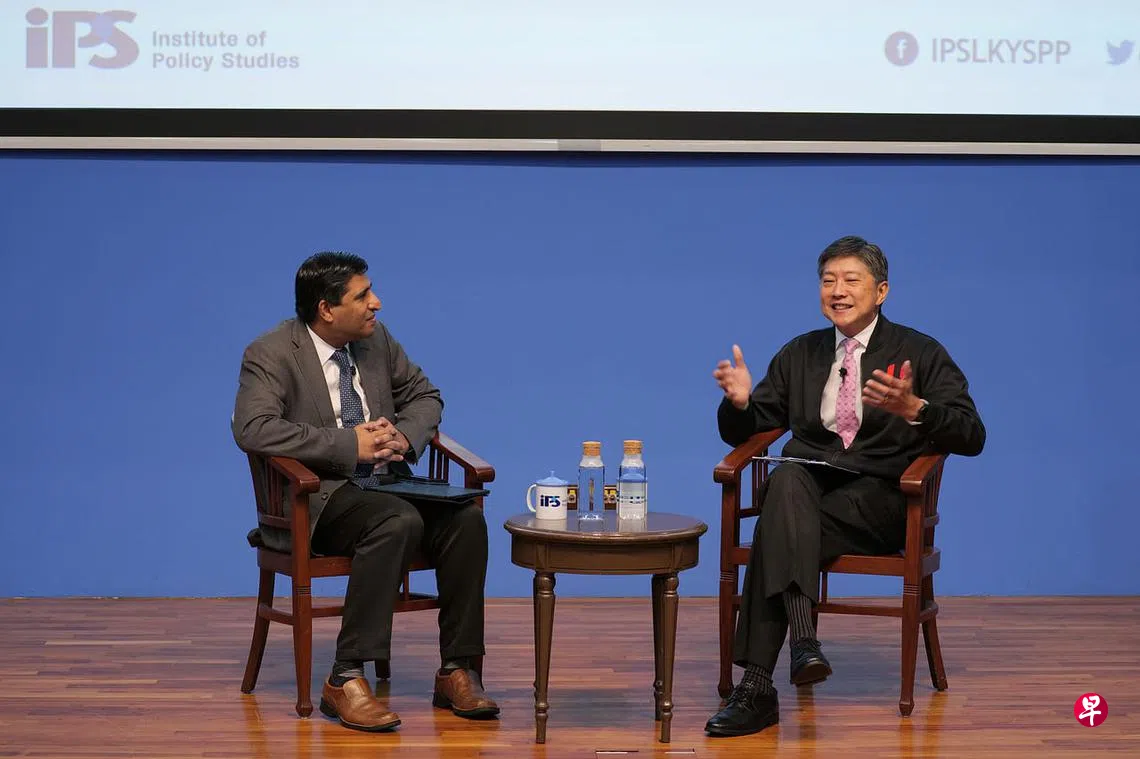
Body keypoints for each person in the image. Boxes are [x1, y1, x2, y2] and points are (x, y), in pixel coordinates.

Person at [705, 235, 985, 737]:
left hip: (881, 503)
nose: (837, 290)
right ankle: (801, 647)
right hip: (806, 494)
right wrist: (741, 403)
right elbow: (748, 428)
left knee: (777, 522)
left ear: (881, 291)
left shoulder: (919, 352)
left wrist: (917, 409)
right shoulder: (801, 353)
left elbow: (972, 434)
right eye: (828, 280)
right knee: (788, 481)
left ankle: (758, 687)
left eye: (851, 280)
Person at [232, 251, 498, 733]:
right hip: (319, 498)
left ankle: (457, 669)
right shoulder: (270, 353)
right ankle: (345, 678)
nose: (376, 303)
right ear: (326, 309)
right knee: (396, 520)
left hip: (387, 485)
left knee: (466, 518)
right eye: (363, 296)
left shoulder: (376, 341)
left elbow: (425, 396)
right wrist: (346, 445)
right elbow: (254, 428)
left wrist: (404, 437)